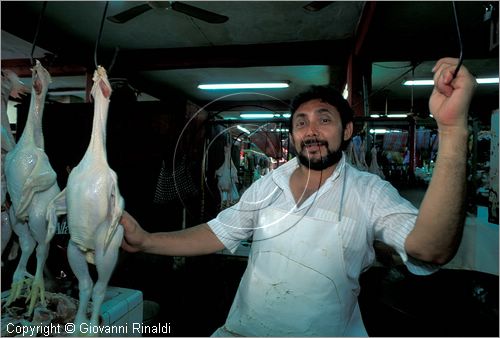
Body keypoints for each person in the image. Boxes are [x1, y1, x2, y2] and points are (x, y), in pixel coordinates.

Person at [120, 57, 476, 336]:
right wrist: (147, 241)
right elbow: (216, 232)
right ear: (292, 135)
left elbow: (431, 249)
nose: (311, 131)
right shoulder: (268, 185)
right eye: (301, 123)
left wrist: (452, 129)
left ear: (347, 129)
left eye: (324, 120)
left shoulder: (370, 192)